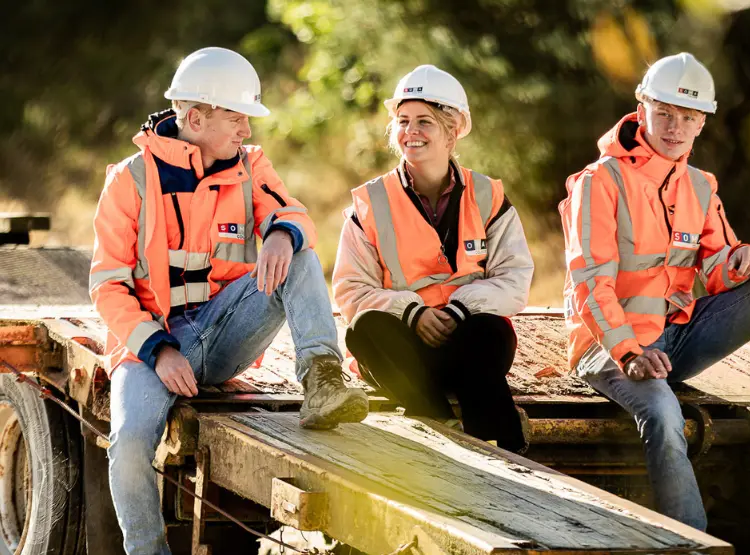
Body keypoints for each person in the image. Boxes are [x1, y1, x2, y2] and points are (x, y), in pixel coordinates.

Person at [559, 52, 750, 531]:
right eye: (664, 114)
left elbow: (716, 263)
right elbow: (589, 283)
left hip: (675, 338)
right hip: (609, 348)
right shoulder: (600, 182)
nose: (675, 127)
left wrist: (741, 260)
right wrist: (630, 352)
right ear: (641, 110)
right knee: (663, 412)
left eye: (688, 117)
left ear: (701, 123)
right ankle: (694, 542)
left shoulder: (700, 185)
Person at [89, 47, 369, 554]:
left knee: (300, 255)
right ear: (195, 118)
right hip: (149, 351)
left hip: (223, 337)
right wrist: (159, 350)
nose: (246, 130)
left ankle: (323, 380)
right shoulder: (129, 180)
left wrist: (283, 232)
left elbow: (295, 214)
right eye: (236, 117)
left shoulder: (251, 166)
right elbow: (107, 285)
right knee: (128, 446)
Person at [333, 65, 534, 453]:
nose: (411, 131)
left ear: (452, 130)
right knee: (364, 330)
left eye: (424, 121)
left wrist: (461, 310)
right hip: (404, 352)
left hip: (469, 344)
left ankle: (500, 444)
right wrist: (413, 313)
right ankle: (439, 422)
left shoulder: (487, 195)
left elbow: (515, 279)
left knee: (492, 332)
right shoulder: (370, 203)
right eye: (403, 120)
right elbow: (350, 291)